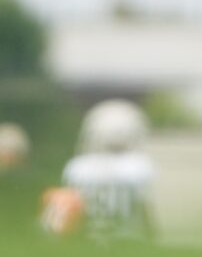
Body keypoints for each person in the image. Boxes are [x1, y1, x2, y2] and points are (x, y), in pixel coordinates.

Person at [43, 101, 157, 244]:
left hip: (86, 241)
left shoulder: (77, 167)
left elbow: (67, 208)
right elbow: (143, 209)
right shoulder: (139, 167)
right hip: (129, 242)